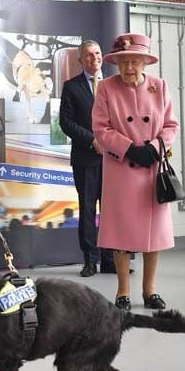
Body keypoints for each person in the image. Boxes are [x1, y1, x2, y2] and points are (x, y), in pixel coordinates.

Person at [92, 33, 179, 311]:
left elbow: (171, 125)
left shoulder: (160, 86)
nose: (129, 67)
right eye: (124, 62)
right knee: (121, 234)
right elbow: (101, 128)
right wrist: (129, 149)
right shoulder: (105, 88)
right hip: (121, 169)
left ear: (144, 62)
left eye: (134, 61)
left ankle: (150, 291)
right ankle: (123, 292)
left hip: (152, 168)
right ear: (117, 63)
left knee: (152, 236)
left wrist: (156, 147)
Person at [59, 40, 115, 277]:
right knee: (88, 210)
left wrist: (111, 142)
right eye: (89, 56)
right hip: (85, 158)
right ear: (81, 60)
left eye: (98, 54)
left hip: (112, 159)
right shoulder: (71, 87)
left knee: (112, 210)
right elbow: (66, 122)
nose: (95, 59)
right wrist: (93, 140)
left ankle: (110, 260)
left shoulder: (113, 85)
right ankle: (90, 261)